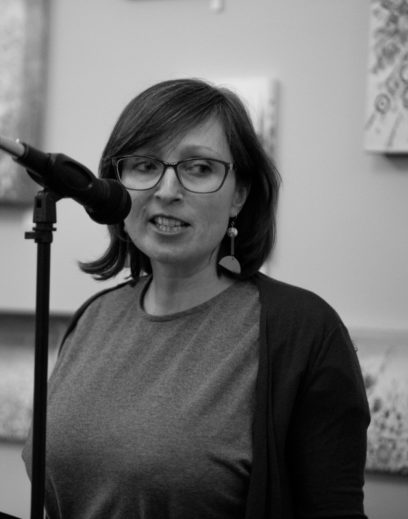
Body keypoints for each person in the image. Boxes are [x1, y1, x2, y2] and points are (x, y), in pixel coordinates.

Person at [22, 78, 370, 519]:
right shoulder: (94, 317)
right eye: (145, 166)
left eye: (199, 168)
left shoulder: (303, 332)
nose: (167, 190)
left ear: (239, 194)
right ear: (115, 185)